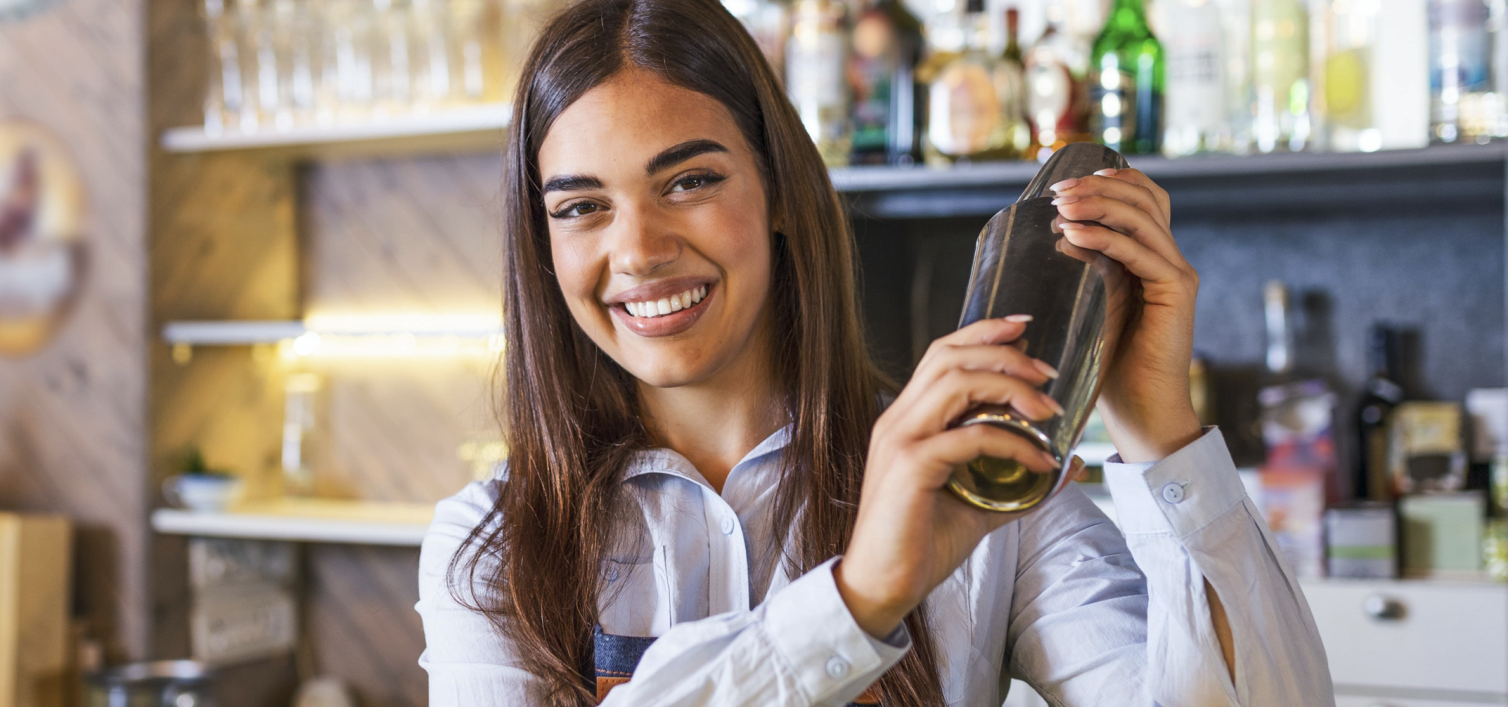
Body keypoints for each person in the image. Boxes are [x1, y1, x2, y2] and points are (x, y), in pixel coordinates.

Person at [415, 0, 1332, 703]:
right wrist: (858, 599)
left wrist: (1160, 430)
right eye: (581, 206)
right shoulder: (491, 542)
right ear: (541, 243)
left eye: (690, 180)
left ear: (777, 191)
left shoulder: (977, 493)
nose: (639, 249)